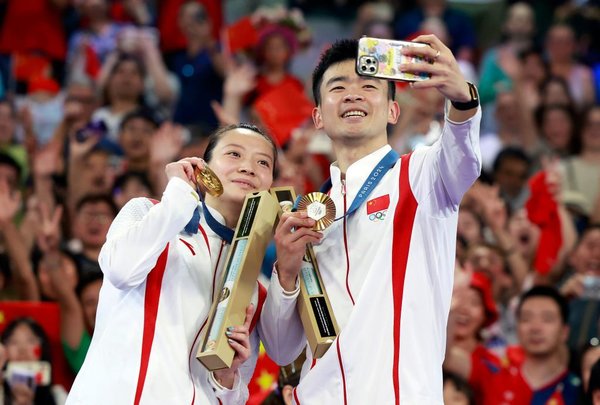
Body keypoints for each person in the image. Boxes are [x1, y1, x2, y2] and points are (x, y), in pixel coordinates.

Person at [260, 35, 481, 403]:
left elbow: (464, 159)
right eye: (337, 86)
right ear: (317, 116)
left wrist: (461, 98)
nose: (352, 94)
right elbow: (282, 350)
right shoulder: (310, 216)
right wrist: (285, 272)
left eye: (368, 85)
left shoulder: (422, 176)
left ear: (393, 111)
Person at [66, 123, 278, 404]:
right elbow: (119, 270)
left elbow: (228, 397)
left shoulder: (256, 287)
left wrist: (227, 380)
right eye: (234, 154)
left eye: (262, 162)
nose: (248, 168)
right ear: (204, 168)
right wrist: (179, 191)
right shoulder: (146, 212)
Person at [481, 286, 581, 405]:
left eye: (547, 319)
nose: (535, 328)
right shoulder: (493, 376)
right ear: (517, 328)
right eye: (526, 318)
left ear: (564, 332)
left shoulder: (578, 390)